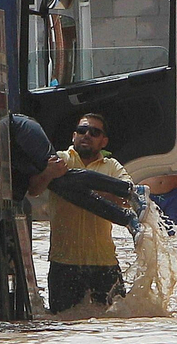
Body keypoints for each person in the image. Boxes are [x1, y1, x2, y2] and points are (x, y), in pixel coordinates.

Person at [28, 113, 148, 313]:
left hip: (104, 263)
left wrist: (87, 191)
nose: (87, 135)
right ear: (73, 136)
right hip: (64, 263)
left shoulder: (112, 167)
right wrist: (49, 173)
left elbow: (127, 198)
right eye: (82, 131)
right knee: (63, 325)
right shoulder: (60, 161)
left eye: (94, 132)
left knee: (117, 326)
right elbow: (33, 190)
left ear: (104, 141)